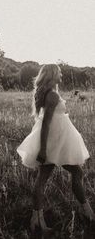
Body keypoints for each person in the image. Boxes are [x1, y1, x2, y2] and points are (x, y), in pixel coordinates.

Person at [17, 64, 94, 234]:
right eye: (59, 73)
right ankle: (40, 220)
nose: (61, 75)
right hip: (53, 142)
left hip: (58, 140)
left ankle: (39, 219)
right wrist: (43, 149)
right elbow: (45, 124)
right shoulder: (51, 95)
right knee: (56, 176)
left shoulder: (52, 93)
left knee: (67, 174)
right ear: (52, 75)